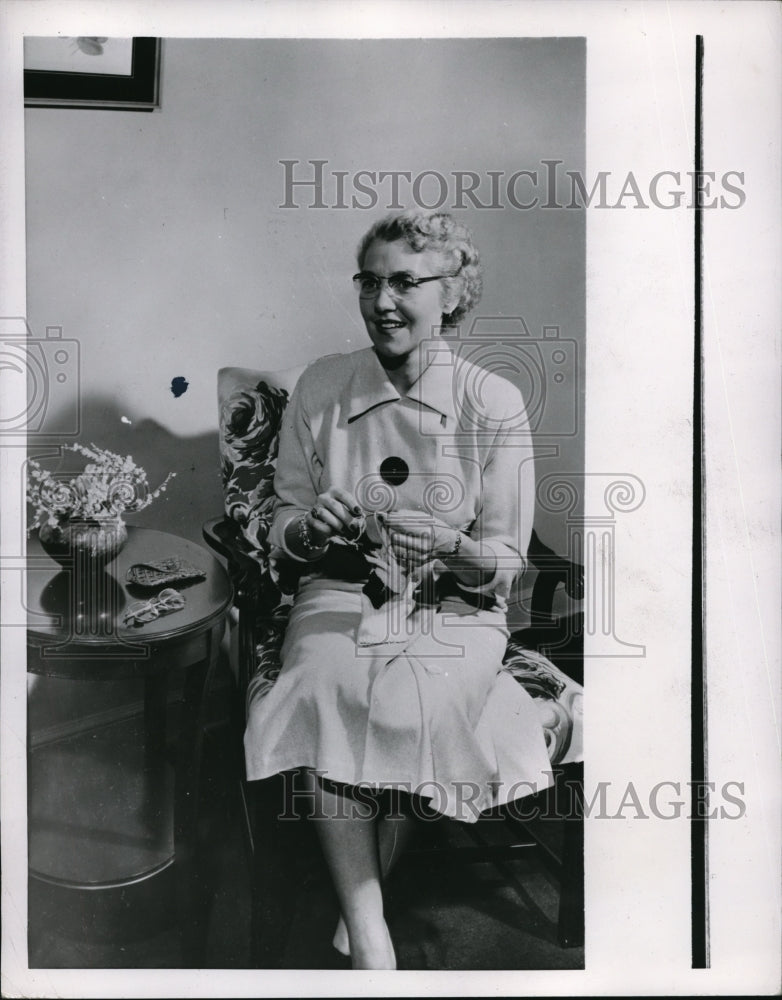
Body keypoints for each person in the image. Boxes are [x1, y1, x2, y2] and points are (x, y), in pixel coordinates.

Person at [244, 210, 552, 969]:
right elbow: (282, 520)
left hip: (455, 602)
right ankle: (371, 932)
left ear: (451, 295)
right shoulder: (322, 386)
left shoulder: (493, 402)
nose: (382, 302)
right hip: (341, 588)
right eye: (370, 282)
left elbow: (505, 562)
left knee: (418, 700)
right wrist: (309, 529)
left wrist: (454, 546)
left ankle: (361, 902)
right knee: (324, 687)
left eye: (405, 283)